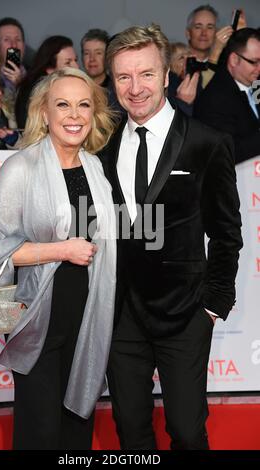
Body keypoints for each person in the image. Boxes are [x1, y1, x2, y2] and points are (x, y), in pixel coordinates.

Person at [99, 24, 243, 450]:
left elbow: (225, 232)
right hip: (120, 313)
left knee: (185, 428)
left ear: (166, 76)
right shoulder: (102, 146)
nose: (135, 87)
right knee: (130, 428)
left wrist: (213, 306)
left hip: (185, 313)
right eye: (123, 76)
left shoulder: (206, 141)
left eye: (146, 74)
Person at [0, 68, 116, 449]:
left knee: (77, 427)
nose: (74, 115)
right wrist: (63, 249)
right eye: (63, 105)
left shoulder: (95, 168)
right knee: (40, 432)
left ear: (94, 113)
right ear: (44, 113)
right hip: (36, 318)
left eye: (83, 105)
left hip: (87, 318)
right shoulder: (21, 168)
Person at [194, 28, 260, 164]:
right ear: (234, 60)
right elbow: (225, 153)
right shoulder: (215, 97)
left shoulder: (255, 84)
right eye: (254, 62)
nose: (259, 68)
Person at [15, 35, 79, 129]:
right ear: (50, 69)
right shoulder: (36, 94)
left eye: (76, 60)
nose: (76, 67)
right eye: (68, 62)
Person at [0, 17, 27, 107]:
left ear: (24, 45)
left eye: (18, 40)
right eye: (7, 40)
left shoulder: (36, 80)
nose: (14, 45)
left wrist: (20, 85)